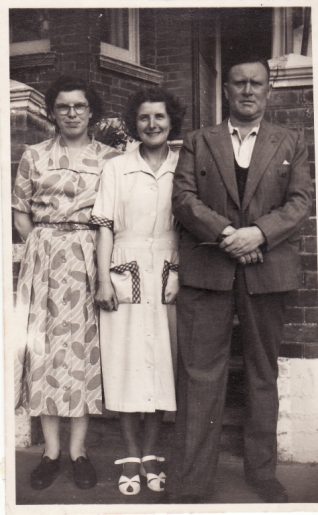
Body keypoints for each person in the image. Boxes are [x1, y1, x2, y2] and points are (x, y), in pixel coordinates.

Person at [165, 54, 313, 504]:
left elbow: (300, 201)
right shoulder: (198, 140)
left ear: (268, 90)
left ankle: (262, 473)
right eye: (239, 83)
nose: (248, 91)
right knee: (198, 375)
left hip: (267, 271)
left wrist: (258, 235)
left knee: (261, 373)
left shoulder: (292, 140)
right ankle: (192, 481)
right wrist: (227, 233)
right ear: (225, 90)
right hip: (209, 270)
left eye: (256, 83)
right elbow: (184, 198)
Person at [13, 75, 119, 490]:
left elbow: (112, 216)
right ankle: (51, 452)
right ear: (52, 113)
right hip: (43, 259)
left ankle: (79, 451)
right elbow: (21, 212)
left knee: (82, 355)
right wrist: (44, 246)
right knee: (43, 354)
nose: (71, 113)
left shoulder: (110, 159)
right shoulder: (33, 155)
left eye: (79, 106)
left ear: (91, 111)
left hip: (88, 258)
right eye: (63, 106)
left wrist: (84, 251)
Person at [91, 86, 185, 496]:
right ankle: (129, 452)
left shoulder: (183, 166)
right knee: (125, 364)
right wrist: (101, 280)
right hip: (124, 269)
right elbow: (105, 226)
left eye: (159, 117)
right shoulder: (116, 167)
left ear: (171, 121)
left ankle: (151, 452)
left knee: (163, 363)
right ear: (136, 123)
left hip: (168, 269)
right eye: (144, 118)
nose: (152, 124)